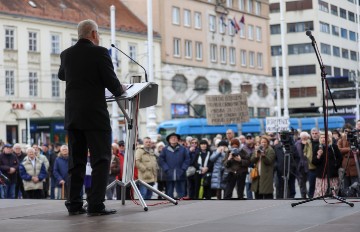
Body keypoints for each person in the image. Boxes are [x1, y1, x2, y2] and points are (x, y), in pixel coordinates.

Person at [58, 19, 126, 216]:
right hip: (95, 117)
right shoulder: (100, 52)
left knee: (76, 162)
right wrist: (122, 88)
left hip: (73, 116)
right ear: (94, 34)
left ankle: (74, 204)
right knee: (101, 160)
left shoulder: (66, 54)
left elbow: (62, 75)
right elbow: (113, 84)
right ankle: (96, 204)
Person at [159, 133, 190, 199]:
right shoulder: (165, 149)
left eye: (175, 138)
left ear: (178, 140)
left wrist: (183, 169)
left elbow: (187, 160)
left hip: (181, 174)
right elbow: (161, 160)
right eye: (171, 138)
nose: (173, 139)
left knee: (181, 193)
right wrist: (166, 169)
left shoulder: (183, 149)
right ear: (169, 140)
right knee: (169, 193)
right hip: (169, 174)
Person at [312, 132, 342, 197]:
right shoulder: (317, 147)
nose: (323, 139)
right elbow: (313, 161)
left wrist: (335, 166)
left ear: (328, 138)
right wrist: (318, 156)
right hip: (321, 175)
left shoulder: (333, 147)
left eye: (325, 137)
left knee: (333, 192)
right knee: (320, 193)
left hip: (332, 175)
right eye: (321, 137)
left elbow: (340, 158)